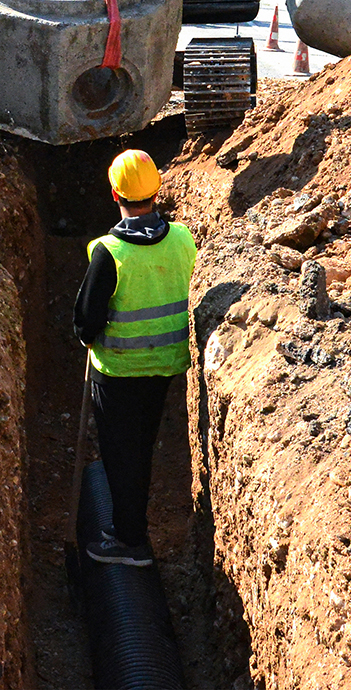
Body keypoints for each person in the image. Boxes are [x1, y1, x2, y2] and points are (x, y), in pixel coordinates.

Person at [71, 149, 198, 566]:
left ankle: (129, 543)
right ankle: (131, 525)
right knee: (140, 447)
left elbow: (87, 319)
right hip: (166, 366)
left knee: (122, 456)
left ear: (114, 194)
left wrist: (87, 335)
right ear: (157, 190)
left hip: (120, 371)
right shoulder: (182, 238)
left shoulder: (109, 251)